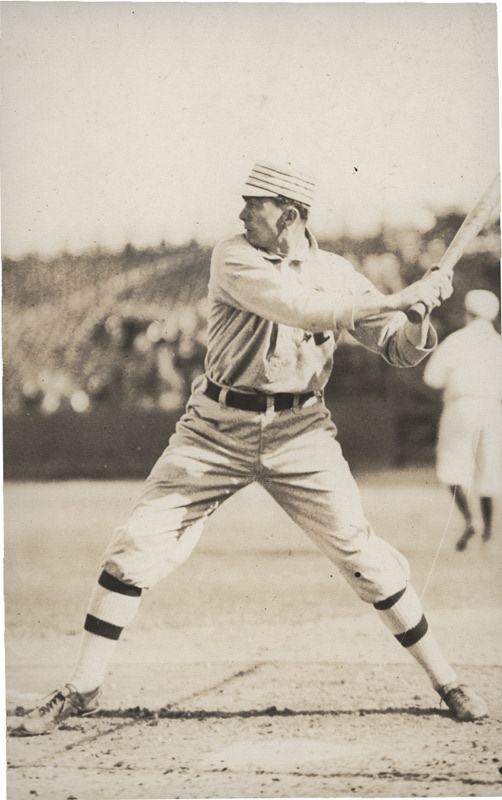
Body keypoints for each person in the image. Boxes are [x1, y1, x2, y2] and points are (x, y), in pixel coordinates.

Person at [14, 160, 488, 735]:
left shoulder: (337, 271)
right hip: (214, 427)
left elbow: (401, 350)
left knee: (362, 556)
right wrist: (399, 295)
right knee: (135, 543)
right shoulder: (233, 256)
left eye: (254, 203)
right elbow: (301, 307)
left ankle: (446, 679)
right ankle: (83, 687)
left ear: (289, 214)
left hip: (301, 433)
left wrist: (415, 316)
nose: (241, 212)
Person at [423, 288, 502, 551]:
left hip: (462, 406)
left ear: (468, 313)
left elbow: (432, 377)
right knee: (490, 469)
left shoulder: (457, 341)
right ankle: (488, 534)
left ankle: (471, 520)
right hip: (493, 408)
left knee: (452, 466)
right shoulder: (498, 343)